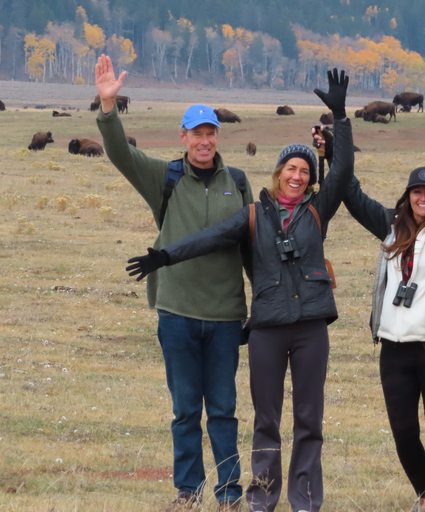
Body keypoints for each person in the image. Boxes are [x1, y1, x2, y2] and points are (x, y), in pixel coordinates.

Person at [125, 69, 353, 512]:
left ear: (310, 179)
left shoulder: (318, 211)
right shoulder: (254, 213)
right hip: (267, 326)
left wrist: (341, 117)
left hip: (310, 326)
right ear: (279, 172)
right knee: (265, 419)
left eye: (305, 171)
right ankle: (261, 498)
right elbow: (210, 237)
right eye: (291, 168)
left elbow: (342, 172)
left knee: (308, 419)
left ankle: (305, 500)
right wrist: (165, 256)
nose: (297, 176)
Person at [94, 54, 254, 511]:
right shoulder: (163, 178)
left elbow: (250, 249)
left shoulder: (237, 183)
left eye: (210, 133)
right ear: (182, 137)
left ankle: (228, 494)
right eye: (196, 134)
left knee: (223, 410)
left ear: (217, 137)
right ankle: (188, 491)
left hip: (225, 316)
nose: (204, 141)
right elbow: (121, 154)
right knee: (186, 410)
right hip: (178, 313)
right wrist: (108, 109)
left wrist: (261, 302)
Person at [328, 126, 425, 511]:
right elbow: (351, 195)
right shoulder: (389, 227)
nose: (423, 198)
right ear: (408, 196)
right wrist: (337, 148)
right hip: (394, 349)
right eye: (417, 191)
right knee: (402, 431)